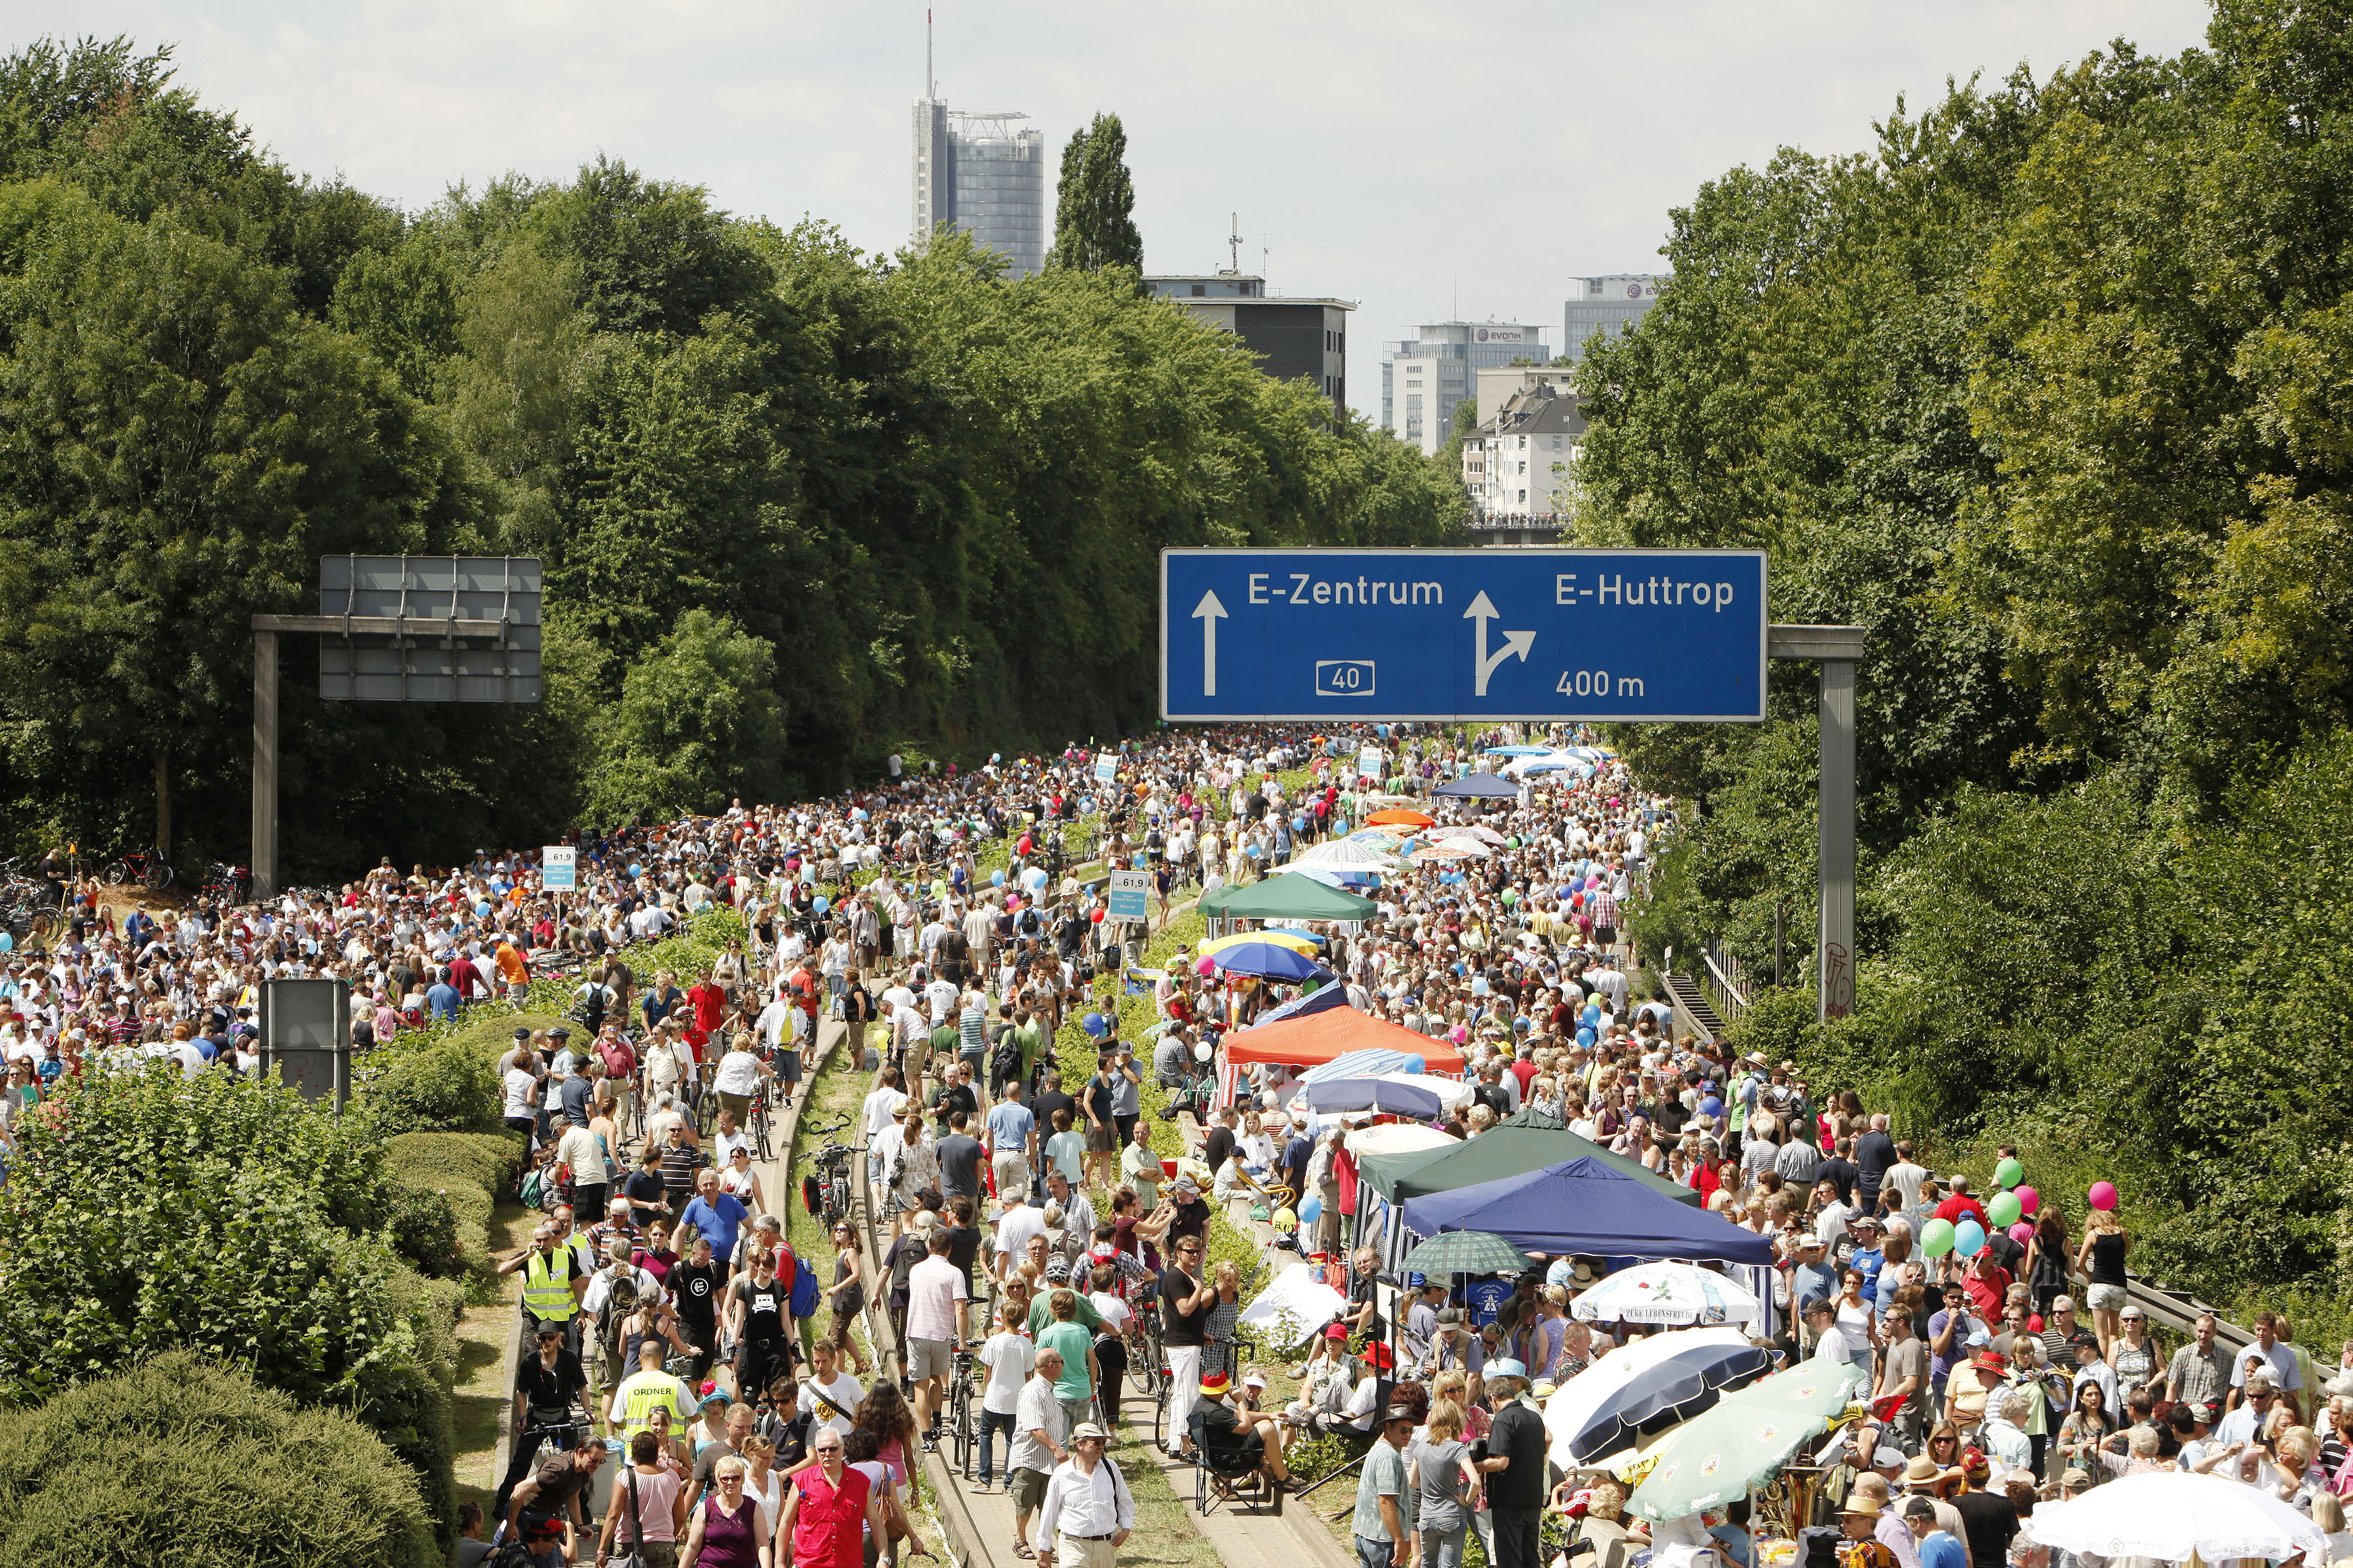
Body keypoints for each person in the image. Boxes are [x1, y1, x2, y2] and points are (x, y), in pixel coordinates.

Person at [1031, 1422, 1134, 1568]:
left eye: (1103, 1442)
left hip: (1106, 1547)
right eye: (1097, 1442)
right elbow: (1049, 1513)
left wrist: (1126, 1529)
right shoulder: (1062, 1474)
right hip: (1074, 1547)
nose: (1101, 1446)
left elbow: (1124, 1501)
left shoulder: (1111, 1469)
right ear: (1080, 1444)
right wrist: (1043, 1549)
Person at [1476, 1358, 1547, 1568]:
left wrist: (1474, 1467)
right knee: (1530, 1555)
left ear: (1492, 1398)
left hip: (1509, 1502)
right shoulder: (1533, 1417)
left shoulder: (1504, 1419)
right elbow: (1543, 1456)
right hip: (1533, 1499)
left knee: (1509, 1558)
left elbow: (1501, 1462)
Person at [1011, 1346, 1072, 1562]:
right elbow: (1035, 1428)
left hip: (1049, 1462)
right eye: (1062, 1361)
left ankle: (1045, 1546)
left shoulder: (1049, 1390)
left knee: (1048, 1505)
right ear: (1052, 1366)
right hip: (1031, 1459)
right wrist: (1056, 1449)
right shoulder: (1032, 1391)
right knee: (1025, 1503)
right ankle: (1020, 1540)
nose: (1064, 1365)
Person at [506, 1440, 608, 1568]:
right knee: (551, 1562)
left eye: (601, 1461)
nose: (597, 1465)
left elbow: (573, 1498)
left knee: (561, 1562)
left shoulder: (583, 1470)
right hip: (526, 1513)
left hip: (546, 1516)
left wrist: (579, 1526)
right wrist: (511, 1525)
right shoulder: (558, 1470)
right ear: (581, 1453)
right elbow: (520, 1489)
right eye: (594, 1460)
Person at [599, 1428, 689, 1568]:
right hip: (662, 1547)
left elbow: (613, 1515)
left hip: (629, 1546)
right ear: (656, 1452)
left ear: (634, 1454)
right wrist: (669, 1537)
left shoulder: (625, 1477)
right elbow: (680, 1518)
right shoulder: (673, 1477)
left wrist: (602, 1550)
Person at [1158, 1235, 1213, 1458]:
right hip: (1182, 1345)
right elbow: (1185, 1309)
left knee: (1182, 1394)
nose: (1194, 1255)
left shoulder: (1184, 1277)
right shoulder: (1176, 1277)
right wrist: (1199, 1288)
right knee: (1188, 1393)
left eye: (1197, 1251)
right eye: (1189, 1251)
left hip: (1189, 1340)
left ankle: (1175, 1444)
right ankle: (1185, 1442)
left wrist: (1201, 1333)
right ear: (1178, 1253)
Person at [1410, 1397, 1479, 1568]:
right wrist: (1467, 1500)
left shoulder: (1422, 1446)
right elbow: (1475, 1481)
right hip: (1451, 1514)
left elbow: (1412, 1481)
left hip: (1427, 1516)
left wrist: (1428, 1487)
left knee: (1427, 1562)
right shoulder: (1457, 1448)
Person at [974, 1304, 1034, 1494]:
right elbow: (1028, 1376)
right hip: (1016, 1401)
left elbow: (987, 1372)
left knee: (986, 1435)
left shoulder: (994, 1342)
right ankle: (1009, 1483)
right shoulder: (1026, 1344)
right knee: (1012, 1441)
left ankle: (985, 1479)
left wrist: (986, 1391)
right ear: (1022, 1320)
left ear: (1004, 1319)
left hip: (994, 1397)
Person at [1354, 1403, 1417, 1568]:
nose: (1408, 1435)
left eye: (1411, 1430)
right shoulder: (1388, 1457)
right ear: (1388, 1427)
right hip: (1383, 1541)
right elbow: (1385, 1501)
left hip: (1367, 1536)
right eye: (1403, 1430)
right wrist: (1399, 1540)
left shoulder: (1379, 1448)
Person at [1900, 1496, 1967, 1568]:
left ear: (1917, 1521)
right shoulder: (1954, 1540)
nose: (1910, 1527)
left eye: (1908, 1522)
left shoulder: (1930, 1545)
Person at [1836, 1494, 1900, 1568]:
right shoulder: (1890, 1554)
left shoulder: (1857, 1554)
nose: (1843, 1525)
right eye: (1843, 1520)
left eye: (1848, 1520)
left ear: (1867, 1522)